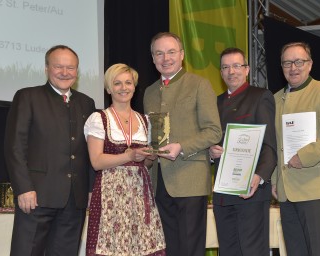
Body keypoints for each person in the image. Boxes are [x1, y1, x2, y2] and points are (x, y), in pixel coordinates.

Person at [4, 45, 96, 255]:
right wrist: (23, 188)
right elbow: (15, 147)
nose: (65, 72)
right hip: (36, 197)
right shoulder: (27, 97)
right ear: (46, 69)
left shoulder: (87, 103)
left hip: (75, 201)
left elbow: (90, 150)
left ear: (77, 71)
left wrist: (90, 189)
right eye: (58, 67)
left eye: (71, 68)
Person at [143, 32, 222, 256]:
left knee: (190, 247)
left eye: (171, 52)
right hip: (159, 181)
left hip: (190, 178)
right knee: (169, 247)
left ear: (182, 55)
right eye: (159, 53)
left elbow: (214, 131)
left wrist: (182, 146)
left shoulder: (199, 84)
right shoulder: (149, 92)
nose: (165, 58)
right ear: (152, 58)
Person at [271, 42, 320, 256]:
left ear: (310, 64)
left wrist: (303, 157)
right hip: (286, 192)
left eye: (299, 61)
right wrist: (276, 178)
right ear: (281, 66)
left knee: (317, 252)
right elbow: (277, 145)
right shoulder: (276, 99)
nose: (293, 67)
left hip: (313, 189)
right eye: (287, 63)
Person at [84, 63, 166, 256]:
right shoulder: (99, 119)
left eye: (128, 82)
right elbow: (96, 161)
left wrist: (150, 157)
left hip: (140, 192)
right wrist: (127, 156)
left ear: (135, 86)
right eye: (117, 83)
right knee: (112, 247)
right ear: (108, 88)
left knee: (143, 246)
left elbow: (146, 164)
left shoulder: (146, 121)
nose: (123, 88)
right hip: (111, 193)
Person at [209, 47, 277, 255]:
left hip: (251, 191)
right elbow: (208, 140)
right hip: (222, 193)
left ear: (247, 69)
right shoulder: (214, 103)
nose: (232, 72)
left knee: (253, 251)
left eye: (237, 66)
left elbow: (269, 144)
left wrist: (259, 176)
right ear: (220, 73)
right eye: (226, 67)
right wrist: (210, 153)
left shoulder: (260, 96)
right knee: (228, 251)